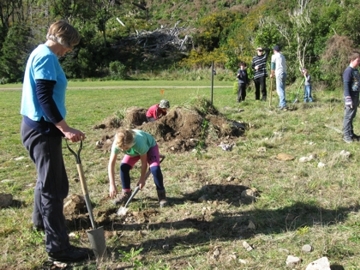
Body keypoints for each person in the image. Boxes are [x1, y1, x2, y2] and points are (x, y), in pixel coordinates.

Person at [20, 21, 91, 262]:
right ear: (62, 41)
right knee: (54, 189)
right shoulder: (48, 57)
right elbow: (44, 98)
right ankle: (58, 248)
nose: (68, 51)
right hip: (44, 131)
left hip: (35, 127)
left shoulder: (39, 53)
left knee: (50, 182)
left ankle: (41, 222)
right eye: (70, 46)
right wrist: (65, 129)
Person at [108, 128, 168, 207]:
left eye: (125, 148)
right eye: (121, 149)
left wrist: (142, 179)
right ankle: (126, 193)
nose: (123, 150)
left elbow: (144, 163)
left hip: (150, 147)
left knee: (155, 169)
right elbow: (111, 164)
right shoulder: (117, 144)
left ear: (131, 143)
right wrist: (112, 185)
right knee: (124, 167)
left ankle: (161, 196)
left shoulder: (139, 143)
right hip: (134, 152)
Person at [342, 52, 360, 143]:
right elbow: (346, 85)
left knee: (352, 116)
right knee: (348, 117)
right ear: (352, 60)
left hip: (356, 96)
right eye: (358, 60)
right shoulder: (348, 71)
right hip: (350, 97)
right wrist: (348, 98)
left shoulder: (356, 71)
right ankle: (346, 136)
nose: (359, 62)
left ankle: (351, 133)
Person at [270, 45, 287, 110]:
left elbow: (272, 66)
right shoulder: (283, 56)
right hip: (284, 73)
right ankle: (281, 103)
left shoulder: (274, 56)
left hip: (279, 73)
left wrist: (272, 74)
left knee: (279, 89)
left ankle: (283, 104)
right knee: (282, 89)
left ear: (274, 50)